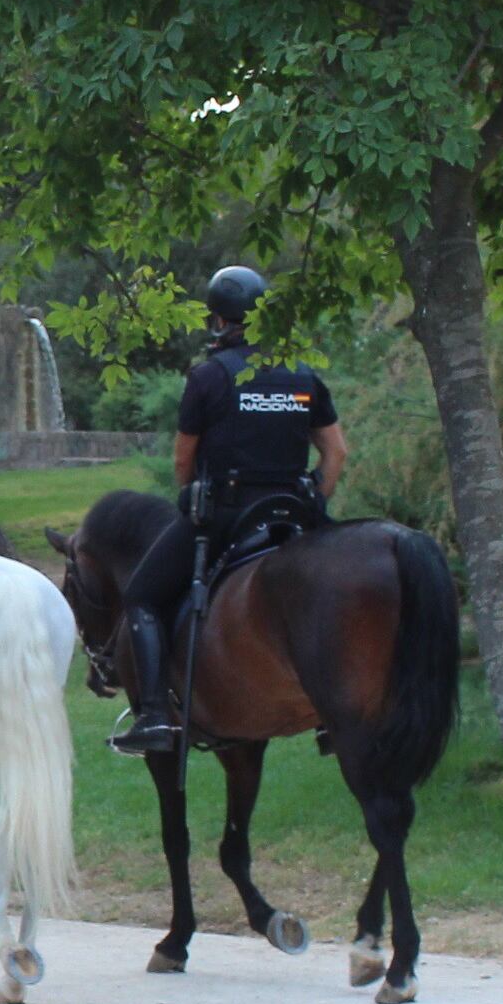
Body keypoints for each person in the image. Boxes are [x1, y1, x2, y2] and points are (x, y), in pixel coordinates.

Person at [105, 265, 348, 756]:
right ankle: (337, 710)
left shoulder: (210, 375)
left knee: (142, 596)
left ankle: (154, 715)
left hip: (229, 513)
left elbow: (183, 460)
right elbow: (336, 453)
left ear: (218, 320)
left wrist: (194, 499)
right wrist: (315, 500)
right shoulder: (302, 373)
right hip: (293, 511)